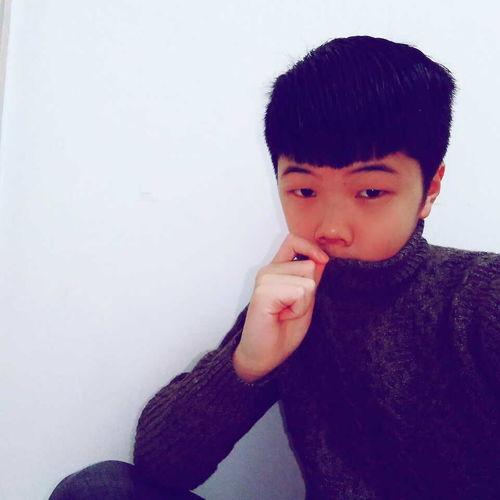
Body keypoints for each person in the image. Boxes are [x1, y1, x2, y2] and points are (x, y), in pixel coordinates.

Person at [49, 35, 500, 499]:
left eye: (370, 192)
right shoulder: (294, 297)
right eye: (304, 191)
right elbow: (160, 465)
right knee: (98, 490)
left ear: (430, 189)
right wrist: (245, 365)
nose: (331, 227)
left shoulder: (481, 296)